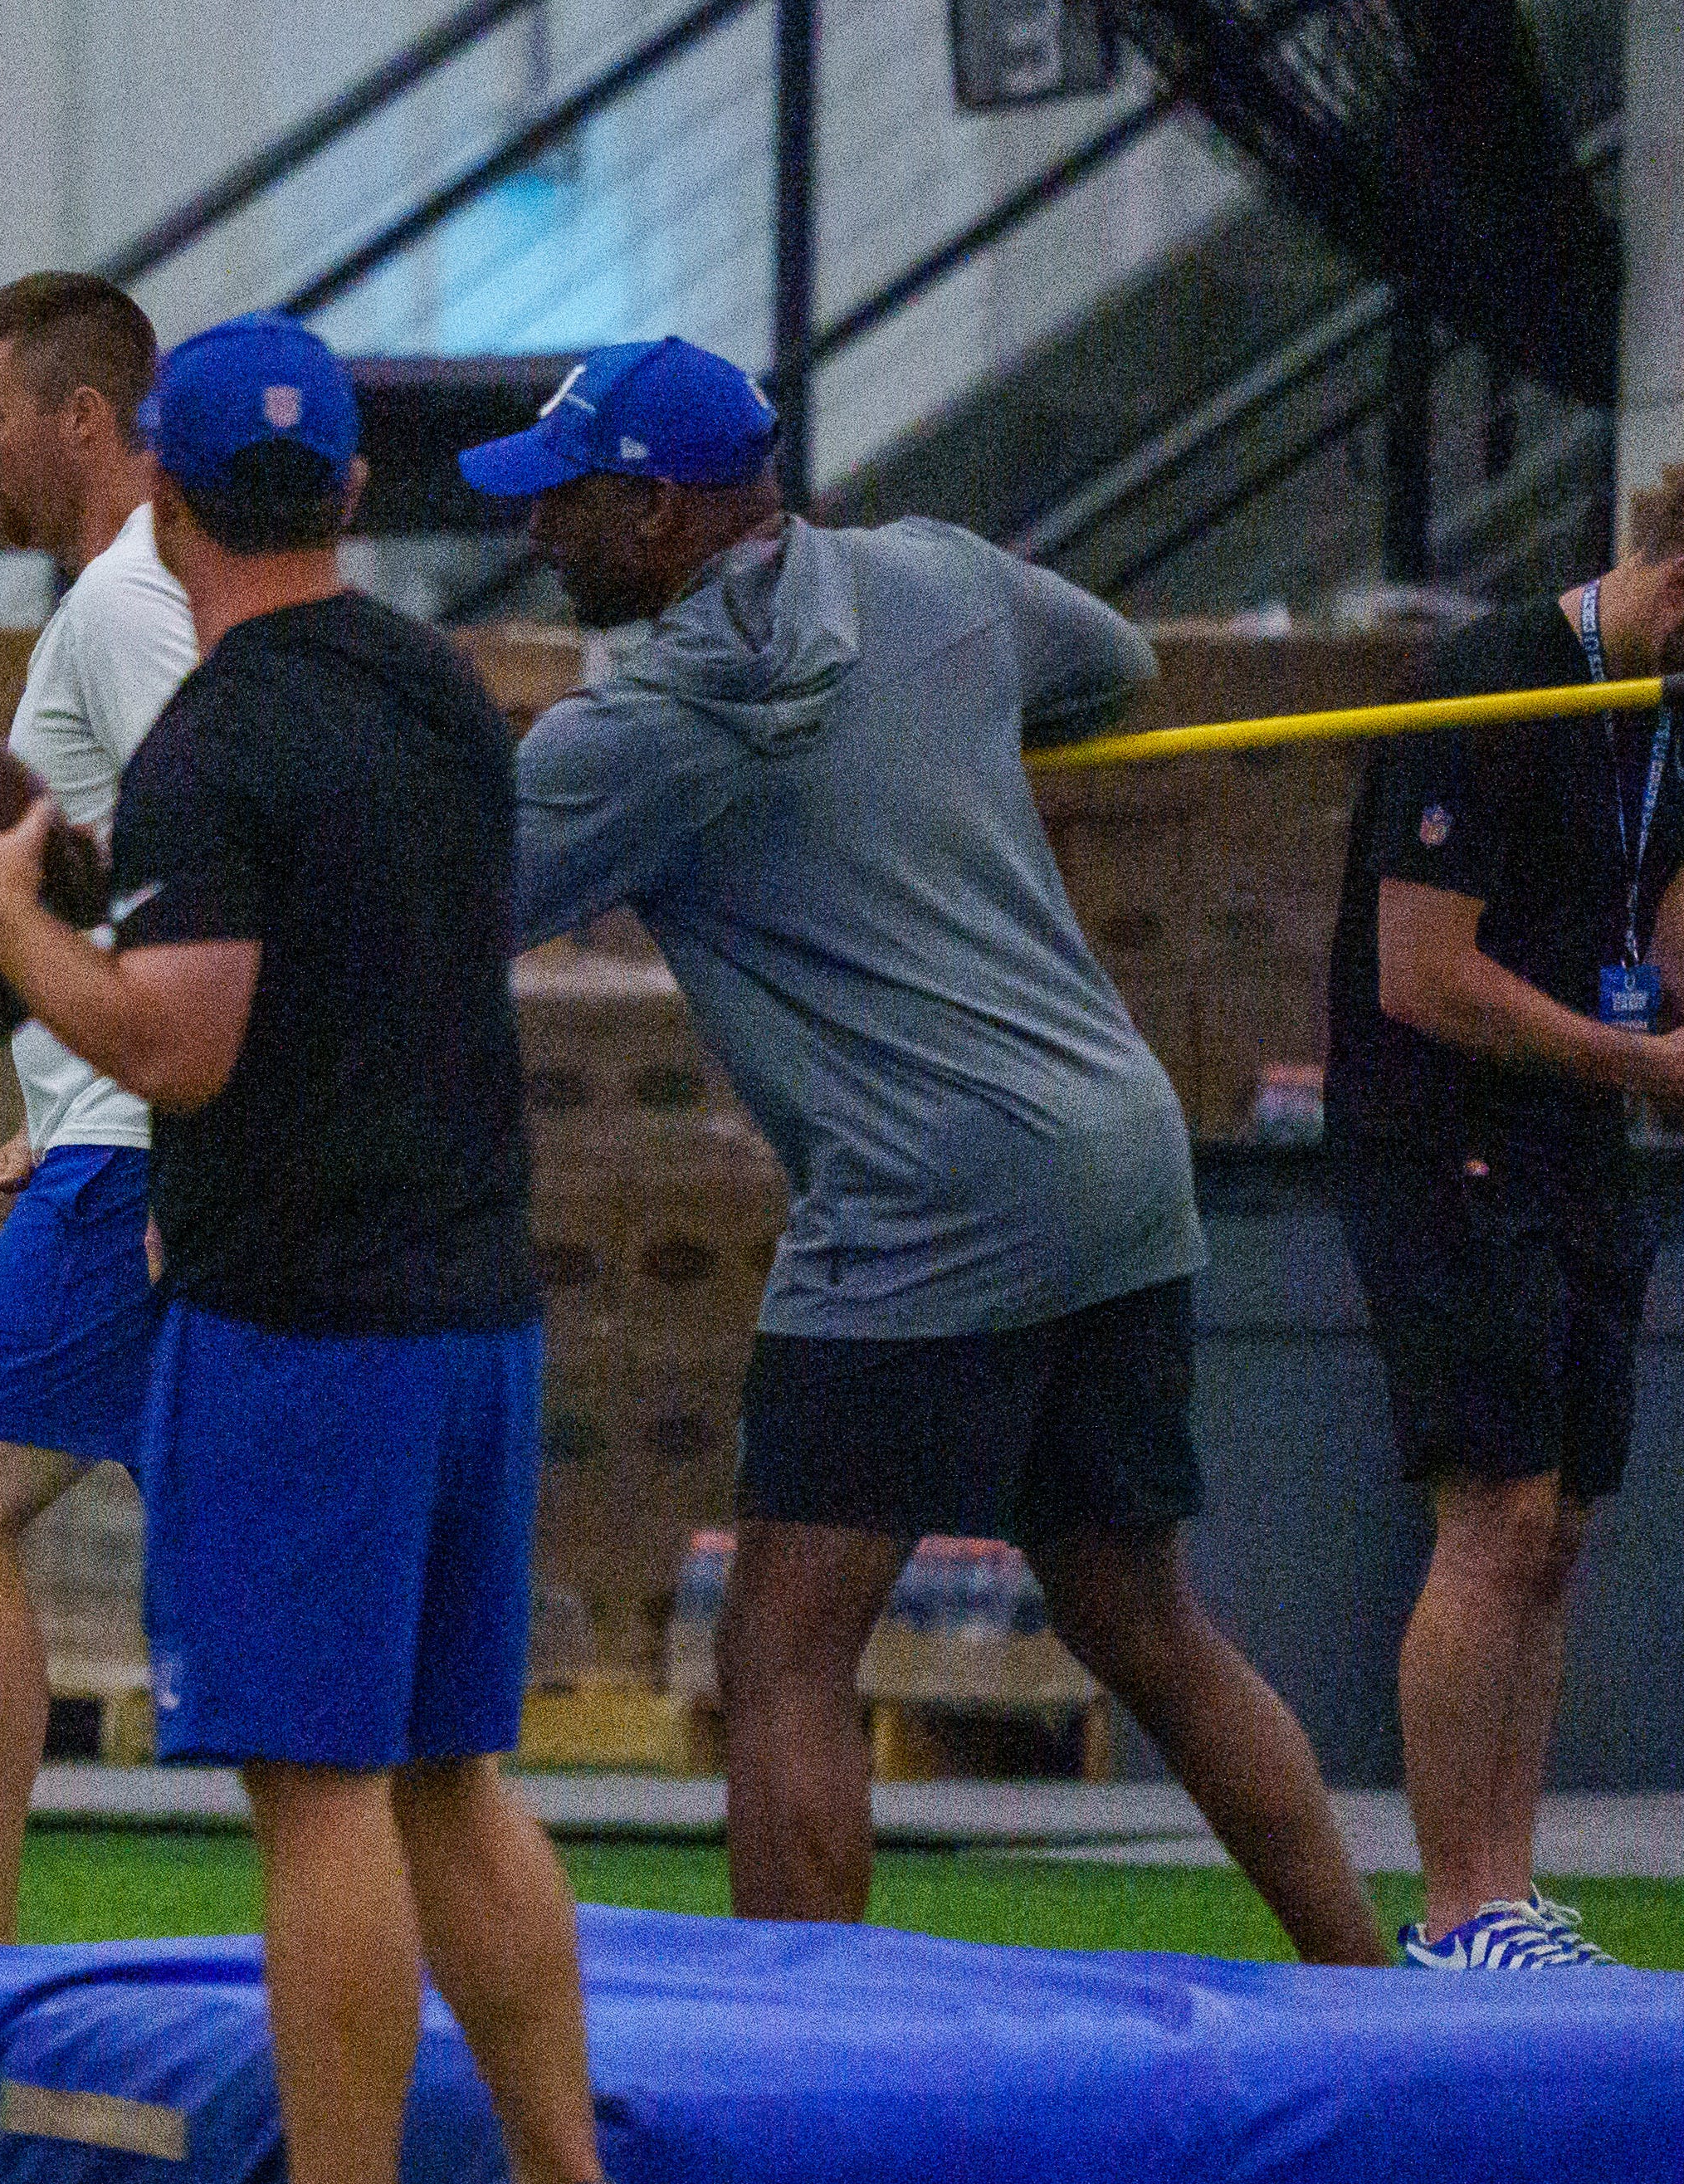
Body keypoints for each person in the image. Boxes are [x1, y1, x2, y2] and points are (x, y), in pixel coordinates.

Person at [0, 312, 683, 2184]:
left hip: (296, 1319)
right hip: (470, 1309)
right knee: (447, 1778)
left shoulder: (213, 741)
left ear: (155, 482)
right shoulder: (443, 698)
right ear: (339, 486)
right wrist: (61, 897)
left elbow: (181, 1041)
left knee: (315, 1796)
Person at [472, 335, 1383, 1967]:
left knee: (783, 1654)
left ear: (665, 514)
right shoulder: (938, 579)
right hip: (1115, 1159)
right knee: (1142, 1621)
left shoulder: (654, 726)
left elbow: (432, 914)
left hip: (927, 1194)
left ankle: (806, 2077)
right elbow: (1111, 671)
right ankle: (1372, 1990)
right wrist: (948, 736)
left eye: (567, 504)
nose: (536, 536)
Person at [1324, 462, 1684, 1969]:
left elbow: (1657, 886)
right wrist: (1647, 1062)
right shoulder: (1489, 685)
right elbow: (1415, 975)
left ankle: (1511, 1892)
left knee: (1556, 1527)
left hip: (1575, 1141)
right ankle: (1454, 1910)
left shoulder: (1680, 703)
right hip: (1443, 1142)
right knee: (1491, 1517)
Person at [0, 273, 190, 1946]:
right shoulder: (140, 598)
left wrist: (157, 1124)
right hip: (119, 1130)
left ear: (82, 418)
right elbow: (146, 885)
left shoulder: (125, 608)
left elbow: (217, 857)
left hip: (141, 1159)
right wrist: (68, 1072)